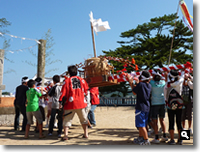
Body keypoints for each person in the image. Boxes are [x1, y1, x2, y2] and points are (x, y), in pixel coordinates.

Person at [59, 65, 89, 140]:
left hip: (70, 103)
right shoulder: (82, 80)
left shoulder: (67, 81)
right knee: (83, 119)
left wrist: (60, 102)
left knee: (67, 119)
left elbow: (63, 93)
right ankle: (86, 133)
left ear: (69, 73)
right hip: (81, 102)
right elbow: (86, 91)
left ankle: (66, 135)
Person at [128, 70, 152, 145]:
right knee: (143, 124)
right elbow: (140, 88)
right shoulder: (149, 85)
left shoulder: (141, 84)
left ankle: (146, 140)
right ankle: (140, 138)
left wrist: (131, 83)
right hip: (147, 106)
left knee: (141, 125)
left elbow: (134, 92)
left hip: (140, 107)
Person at [165, 70, 184, 145]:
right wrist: (183, 70)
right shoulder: (179, 82)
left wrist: (166, 76)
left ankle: (172, 140)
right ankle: (181, 140)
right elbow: (183, 75)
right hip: (179, 105)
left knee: (171, 122)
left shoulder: (167, 84)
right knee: (180, 122)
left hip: (170, 105)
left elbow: (166, 97)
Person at [149, 70, 168, 143]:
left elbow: (149, 80)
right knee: (162, 120)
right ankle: (164, 135)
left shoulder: (152, 83)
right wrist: (166, 75)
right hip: (162, 103)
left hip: (154, 104)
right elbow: (165, 80)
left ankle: (156, 137)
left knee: (155, 121)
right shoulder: (163, 82)